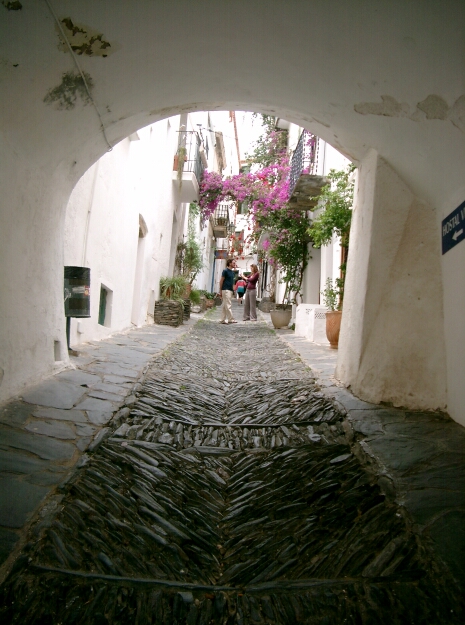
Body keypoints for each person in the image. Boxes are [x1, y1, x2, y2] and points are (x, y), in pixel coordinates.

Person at [218, 258, 237, 324]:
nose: (235, 264)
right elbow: (221, 281)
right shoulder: (225, 271)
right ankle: (231, 319)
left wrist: (233, 289)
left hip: (230, 290)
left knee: (224, 305)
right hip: (226, 289)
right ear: (230, 263)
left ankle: (222, 319)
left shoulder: (232, 272)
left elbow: (232, 282)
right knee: (228, 305)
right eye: (234, 263)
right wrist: (220, 290)